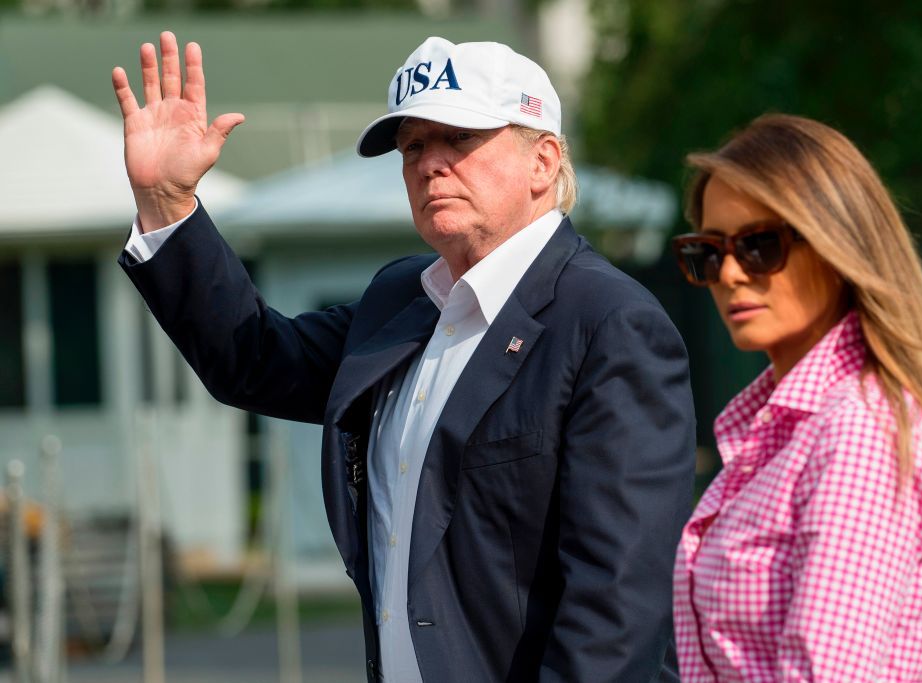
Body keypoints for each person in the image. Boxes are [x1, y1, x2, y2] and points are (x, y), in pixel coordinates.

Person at [111, 33, 696, 682]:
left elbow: (617, 612)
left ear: (544, 161)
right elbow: (252, 357)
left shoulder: (611, 324)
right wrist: (167, 203)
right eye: (414, 145)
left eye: (460, 138)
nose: (429, 164)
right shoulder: (402, 300)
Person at [669, 114, 922, 681]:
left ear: (835, 244)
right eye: (710, 251)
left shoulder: (860, 431)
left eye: (760, 245)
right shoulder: (792, 427)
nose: (732, 274)